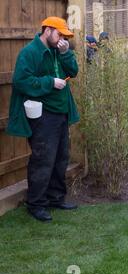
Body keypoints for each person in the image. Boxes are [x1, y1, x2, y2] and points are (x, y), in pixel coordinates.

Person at [7, 17, 80, 222]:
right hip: (43, 116)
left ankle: (56, 198)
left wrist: (66, 53)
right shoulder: (29, 53)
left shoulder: (59, 50)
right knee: (43, 160)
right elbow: (21, 81)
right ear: (47, 30)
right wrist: (50, 82)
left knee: (60, 158)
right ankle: (36, 204)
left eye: (65, 36)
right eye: (59, 34)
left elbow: (73, 71)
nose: (62, 39)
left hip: (61, 113)